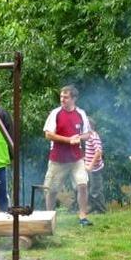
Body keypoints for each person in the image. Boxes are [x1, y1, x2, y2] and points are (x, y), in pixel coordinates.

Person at [43, 85, 92, 227]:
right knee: (51, 190)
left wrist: (79, 138)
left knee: (83, 185)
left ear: (74, 99)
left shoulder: (81, 114)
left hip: (77, 158)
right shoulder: (55, 113)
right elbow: (48, 134)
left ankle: (83, 216)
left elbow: (88, 134)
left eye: (65, 97)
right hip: (58, 159)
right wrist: (69, 140)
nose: (62, 99)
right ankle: (49, 217)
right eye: (61, 96)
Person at [83, 116, 106, 214]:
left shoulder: (93, 136)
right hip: (90, 168)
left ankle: (101, 210)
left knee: (95, 190)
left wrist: (91, 166)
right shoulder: (88, 136)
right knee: (91, 189)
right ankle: (93, 207)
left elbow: (98, 152)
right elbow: (90, 151)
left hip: (95, 169)